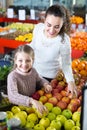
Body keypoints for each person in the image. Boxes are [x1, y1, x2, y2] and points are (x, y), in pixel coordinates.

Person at [29, 4, 77, 98]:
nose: (51, 30)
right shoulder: (38, 28)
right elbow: (33, 45)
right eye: (49, 25)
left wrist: (71, 82)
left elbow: (66, 64)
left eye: (57, 27)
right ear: (44, 20)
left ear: (62, 25)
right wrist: (23, 50)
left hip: (51, 81)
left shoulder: (64, 40)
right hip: (33, 75)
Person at [7, 45, 52, 114]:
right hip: (18, 109)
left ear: (32, 61)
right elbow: (12, 96)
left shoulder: (33, 71)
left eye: (28, 61)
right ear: (15, 61)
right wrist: (31, 101)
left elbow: (39, 80)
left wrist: (45, 84)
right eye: (20, 60)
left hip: (34, 104)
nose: (24, 64)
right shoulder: (12, 76)